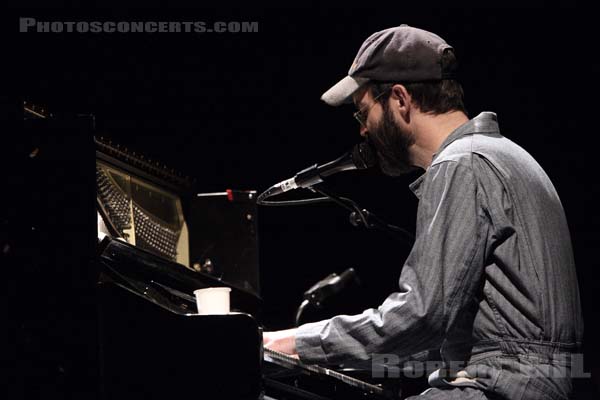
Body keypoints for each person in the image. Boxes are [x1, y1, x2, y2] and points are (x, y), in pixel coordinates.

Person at [263, 25, 584, 399]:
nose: (364, 130)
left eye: (362, 112)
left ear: (399, 99)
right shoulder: (507, 156)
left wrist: (288, 344)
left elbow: (421, 316)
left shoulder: (461, 165)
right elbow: (462, 330)